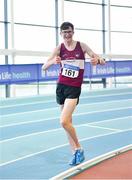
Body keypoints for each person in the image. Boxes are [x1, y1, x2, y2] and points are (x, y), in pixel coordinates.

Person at [42, 22, 105, 166]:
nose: (67, 34)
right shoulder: (59, 48)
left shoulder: (82, 46)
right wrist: (53, 61)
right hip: (61, 87)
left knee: (63, 121)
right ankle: (75, 153)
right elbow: (44, 67)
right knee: (67, 123)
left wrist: (97, 60)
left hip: (74, 88)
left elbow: (102, 60)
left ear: (73, 32)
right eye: (64, 32)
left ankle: (79, 148)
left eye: (69, 31)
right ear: (60, 34)